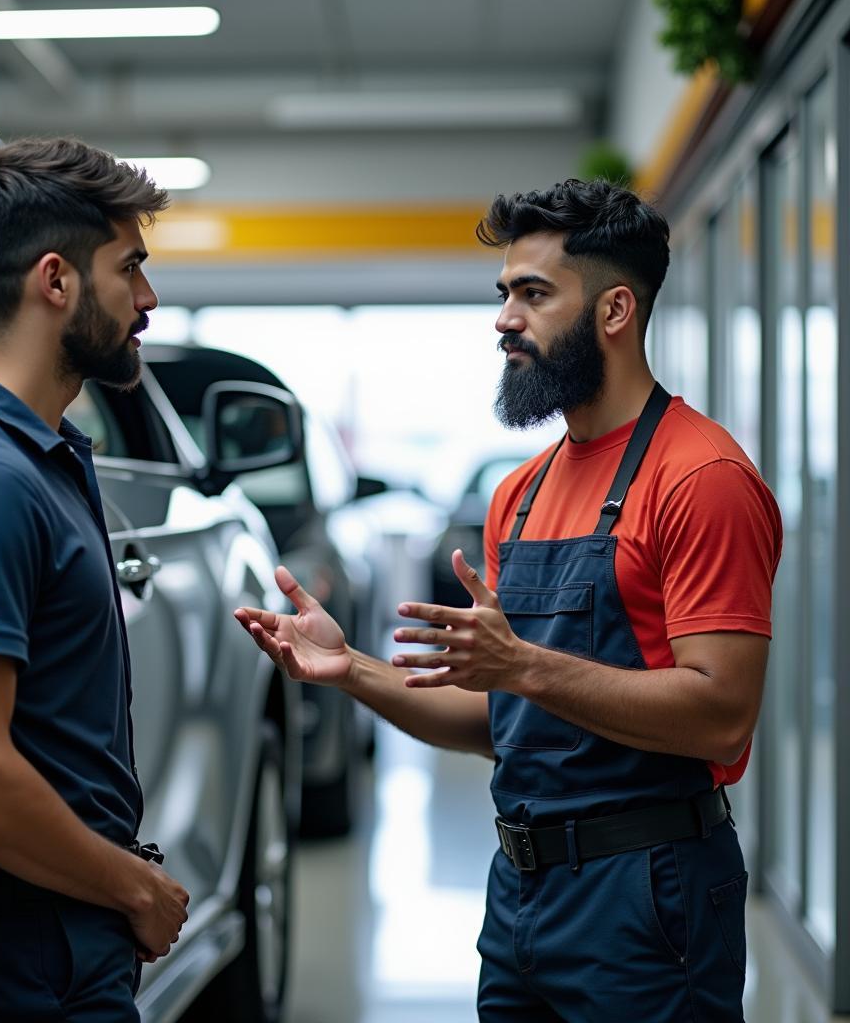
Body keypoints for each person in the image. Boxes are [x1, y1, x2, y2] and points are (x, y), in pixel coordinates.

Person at [235, 179, 781, 1021]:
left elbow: (721, 715)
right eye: (504, 294)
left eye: (534, 294)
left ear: (615, 311)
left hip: (648, 897)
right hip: (521, 897)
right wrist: (350, 672)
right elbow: (505, 723)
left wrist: (523, 665)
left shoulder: (701, 479)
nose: (504, 319)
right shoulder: (519, 495)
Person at [0, 137, 189, 1022]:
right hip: (34, 955)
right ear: (55, 281)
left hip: (65, 937)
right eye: (129, 268)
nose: (147, 299)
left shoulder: (34, 463)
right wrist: (134, 889)